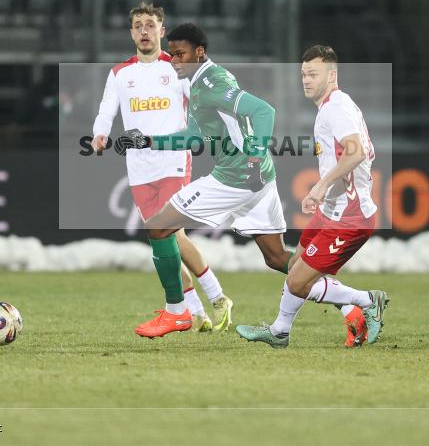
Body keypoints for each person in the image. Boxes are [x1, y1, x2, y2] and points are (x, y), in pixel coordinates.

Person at [114, 22, 296, 338]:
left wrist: (253, 156)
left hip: (237, 177)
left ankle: (177, 313)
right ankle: (355, 302)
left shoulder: (212, 81)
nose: (175, 61)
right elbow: (194, 135)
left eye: (181, 54)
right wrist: (148, 141)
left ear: (200, 52)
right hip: (257, 178)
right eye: (172, 55)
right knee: (277, 258)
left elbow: (263, 110)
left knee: (158, 226)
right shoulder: (200, 84)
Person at [235, 45, 389, 348]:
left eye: (313, 74)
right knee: (295, 268)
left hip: (350, 216)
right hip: (333, 210)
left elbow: (355, 151)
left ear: (332, 75)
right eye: (303, 74)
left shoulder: (336, 107)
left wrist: (320, 186)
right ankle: (280, 330)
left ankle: (369, 301)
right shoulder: (332, 106)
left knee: (298, 282)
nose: (306, 80)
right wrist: (325, 191)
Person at [92, 4, 233, 334]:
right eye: (138, 25)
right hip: (139, 168)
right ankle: (195, 310)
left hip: (172, 161)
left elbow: (201, 100)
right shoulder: (119, 74)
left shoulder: (178, 68)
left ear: (161, 30)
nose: (144, 30)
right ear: (131, 33)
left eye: (150, 25)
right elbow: (105, 111)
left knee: (165, 230)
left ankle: (211, 298)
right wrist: (99, 133)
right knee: (166, 239)